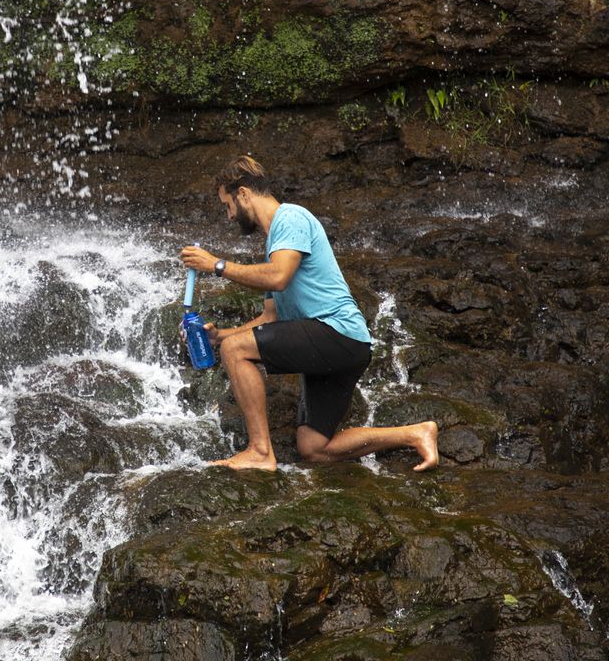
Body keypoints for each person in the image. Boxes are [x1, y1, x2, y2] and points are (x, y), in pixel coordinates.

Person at [180, 155, 439, 472]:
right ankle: (416, 433)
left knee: (236, 351)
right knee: (315, 448)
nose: (229, 215)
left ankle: (260, 452)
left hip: (337, 333)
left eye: (228, 204)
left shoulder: (290, 219)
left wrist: (216, 266)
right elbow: (270, 319)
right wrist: (221, 336)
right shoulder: (276, 244)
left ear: (244, 193)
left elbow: (278, 276)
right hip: (345, 346)